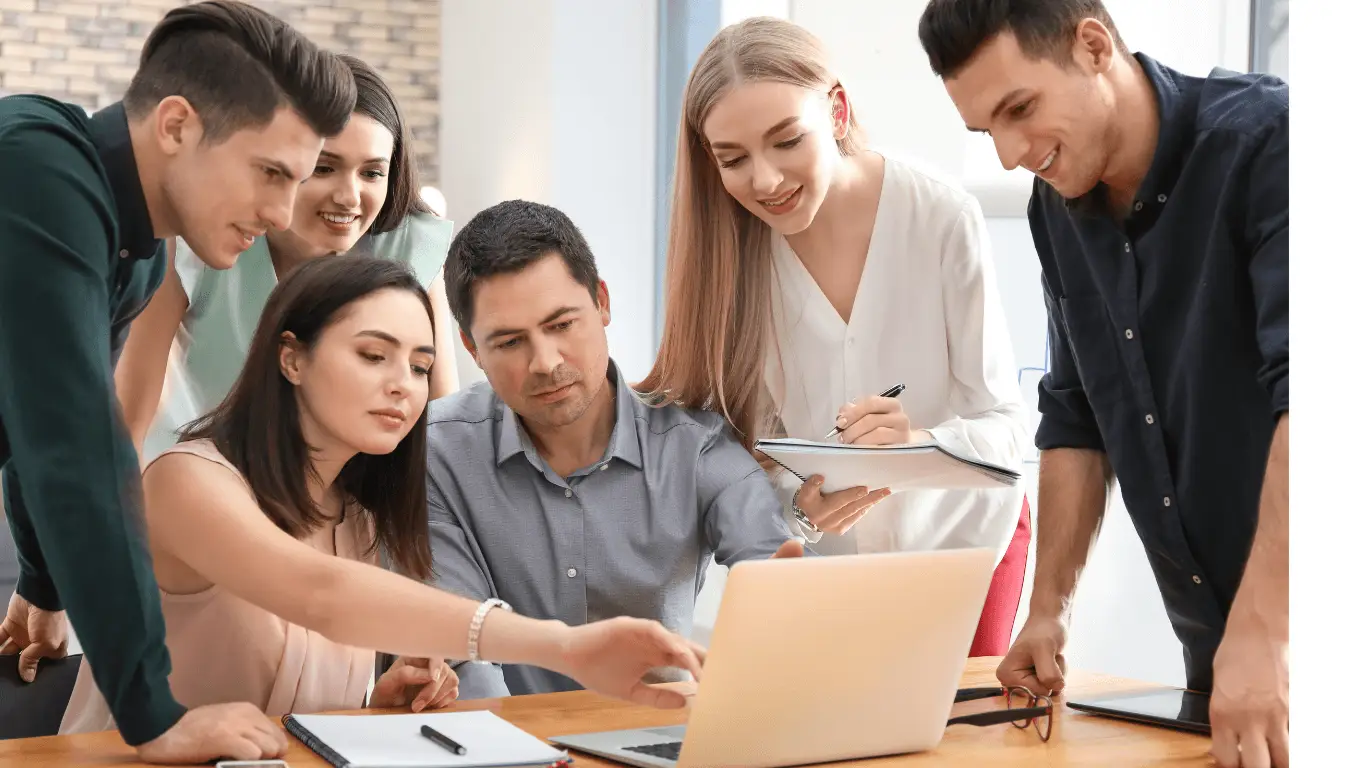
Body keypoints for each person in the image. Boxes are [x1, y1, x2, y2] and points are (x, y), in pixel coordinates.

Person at [61, 253, 709, 733]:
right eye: (374, 355)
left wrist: (371, 707)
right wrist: (563, 646)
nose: (405, 384)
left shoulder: (363, 522)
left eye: (421, 366)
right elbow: (323, 595)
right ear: (292, 358)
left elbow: (287, 709)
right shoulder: (186, 483)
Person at [916, 2, 1289, 766]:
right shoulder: (1056, 213)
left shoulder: (1272, 144)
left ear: (1093, 45)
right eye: (988, 130)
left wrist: (1265, 630)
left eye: (1020, 108)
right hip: (1220, 652)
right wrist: (1047, 607)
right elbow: (1077, 411)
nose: (1014, 153)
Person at [0, 1, 357, 762]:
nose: (283, 211)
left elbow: (32, 411)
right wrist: (154, 714)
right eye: (269, 173)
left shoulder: (142, 257)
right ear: (176, 125)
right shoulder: (38, 168)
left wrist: (43, 579)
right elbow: (77, 445)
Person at [638, 16, 1032, 656]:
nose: (763, 181)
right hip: (832, 571)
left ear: (838, 111)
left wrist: (920, 442)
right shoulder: (727, 261)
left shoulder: (939, 216)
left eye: (786, 140)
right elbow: (739, 459)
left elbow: (1010, 432)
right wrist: (798, 512)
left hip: (965, 548)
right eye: (732, 160)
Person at [425, 200, 804, 699]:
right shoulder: (435, 452)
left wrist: (790, 602)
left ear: (602, 302)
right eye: (510, 342)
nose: (545, 362)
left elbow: (771, 562)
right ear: (472, 348)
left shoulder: (697, 447)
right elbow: (464, 654)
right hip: (505, 747)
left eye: (562, 324)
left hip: (660, 739)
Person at [118, 53, 460, 466]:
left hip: (350, 492)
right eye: (323, 168)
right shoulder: (193, 239)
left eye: (371, 173)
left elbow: (442, 428)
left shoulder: (408, 246)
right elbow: (128, 413)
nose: (349, 197)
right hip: (210, 473)